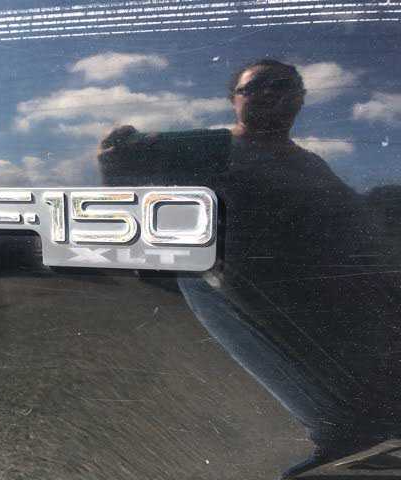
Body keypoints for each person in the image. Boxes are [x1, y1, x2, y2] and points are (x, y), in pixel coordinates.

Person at [99, 59, 401, 478]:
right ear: (233, 99)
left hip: (347, 309)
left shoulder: (312, 162)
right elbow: (124, 179)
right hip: (267, 304)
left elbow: (354, 224)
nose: (272, 93)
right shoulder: (212, 148)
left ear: (301, 98)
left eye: (284, 85)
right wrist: (114, 157)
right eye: (257, 86)